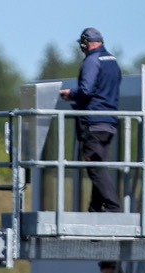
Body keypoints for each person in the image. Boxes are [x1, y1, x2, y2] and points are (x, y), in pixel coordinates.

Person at [58, 27, 121, 212]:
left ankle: (113, 207)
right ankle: (95, 208)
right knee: (98, 166)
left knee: (94, 167)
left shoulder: (92, 61)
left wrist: (70, 94)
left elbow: (86, 90)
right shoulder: (112, 60)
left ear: (86, 43)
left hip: (93, 123)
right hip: (109, 122)